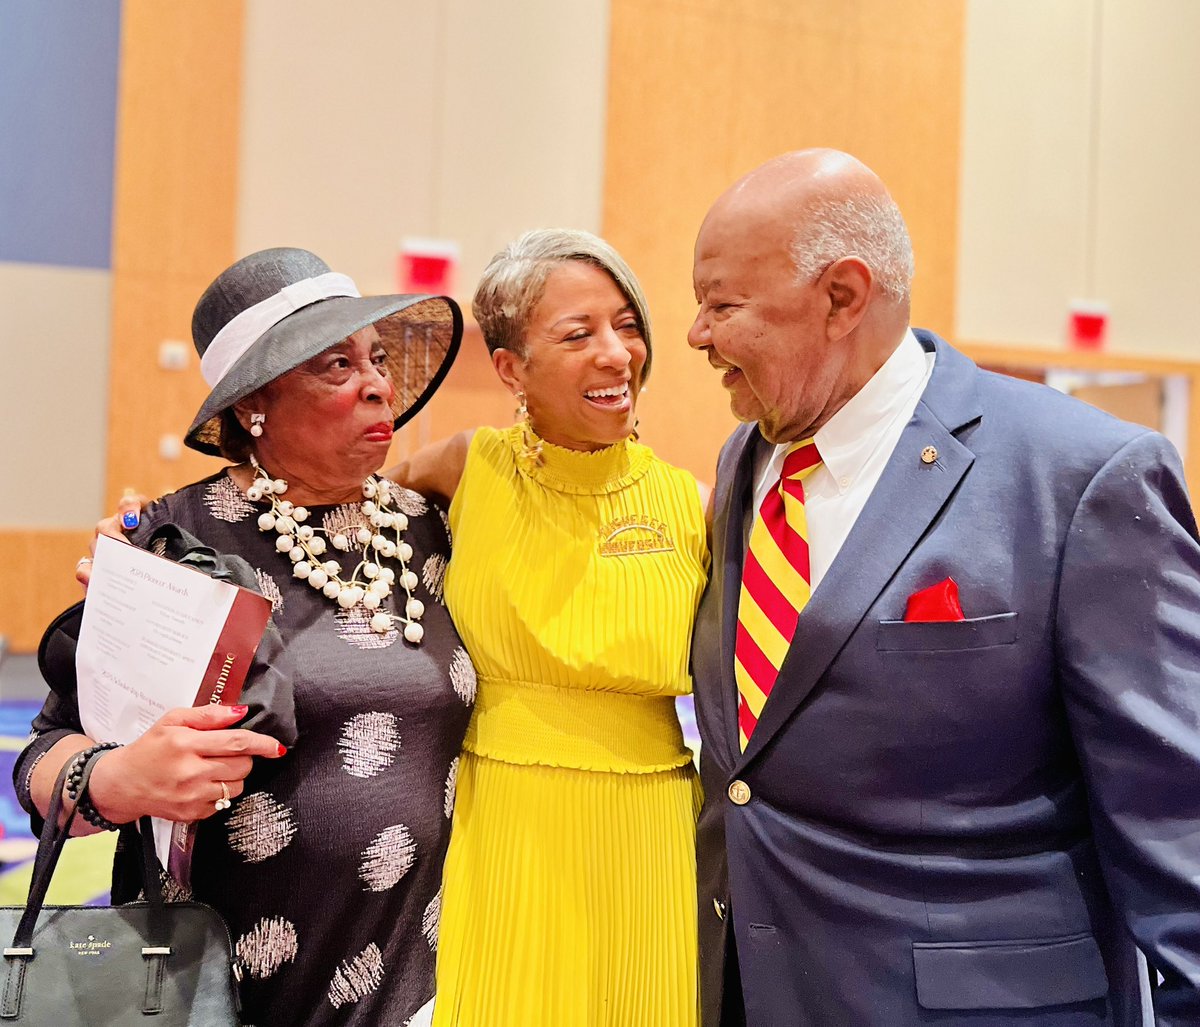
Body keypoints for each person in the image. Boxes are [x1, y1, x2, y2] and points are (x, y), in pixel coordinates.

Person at [687, 148, 1200, 1025]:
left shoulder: (1081, 477)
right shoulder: (750, 455)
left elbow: (1180, 821)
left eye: (723, 304)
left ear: (842, 297)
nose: (696, 334)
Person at [15, 247, 470, 1027]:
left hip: (417, 986)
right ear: (256, 402)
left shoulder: (429, 529)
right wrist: (120, 778)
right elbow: (45, 755)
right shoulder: (170, 542)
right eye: (336, 365)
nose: (379, 384)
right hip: (222, 988)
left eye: (380, 359)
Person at [391, 229, 708, 1026]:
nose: (617, 352)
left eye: (628, 324)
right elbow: (309, 509)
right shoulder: (466, 467)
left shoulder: (695, 503)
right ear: (510, 368)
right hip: (500, 820)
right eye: (580, 333)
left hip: (650, 833)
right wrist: (154, 536)